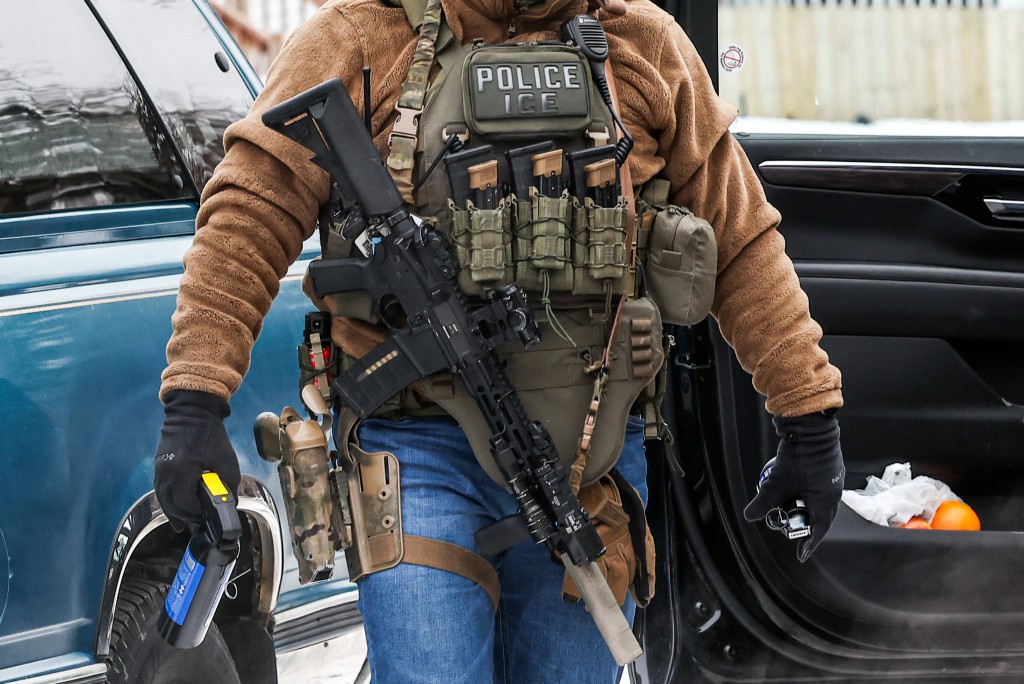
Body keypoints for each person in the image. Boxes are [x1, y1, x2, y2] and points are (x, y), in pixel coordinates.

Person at [153, 0, 845, 680]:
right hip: (418, 449)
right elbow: (248, 214)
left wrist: (807, 415)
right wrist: (195, 400)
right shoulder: (363, 37)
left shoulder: (642, 45)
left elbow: (740, 239)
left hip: (587, 462)